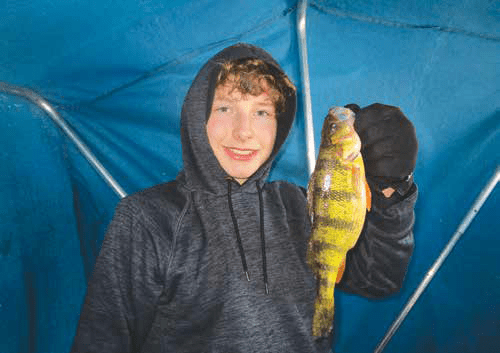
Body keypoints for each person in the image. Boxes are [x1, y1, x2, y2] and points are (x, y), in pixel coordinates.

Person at [70, 43, 418, 353]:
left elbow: (380, 278)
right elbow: (101, 339)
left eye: (262, 112)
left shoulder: (299, 205)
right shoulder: (146, 218)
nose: (244, 131)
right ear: (197, 116)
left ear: (279, 125)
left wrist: (390, 186)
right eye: (225, 108)